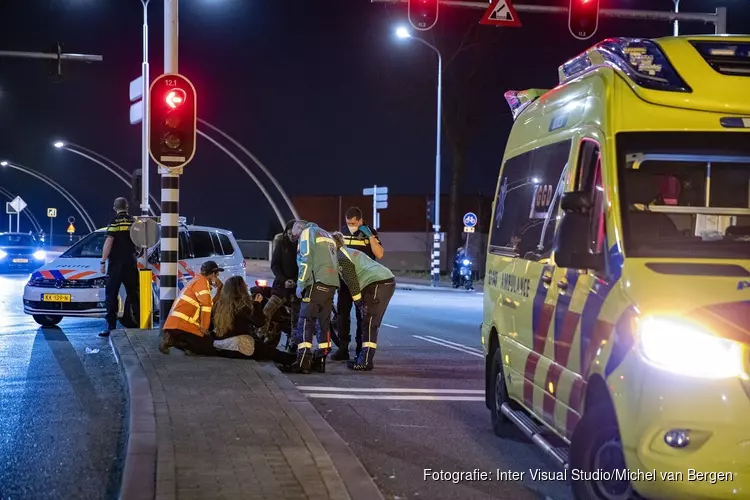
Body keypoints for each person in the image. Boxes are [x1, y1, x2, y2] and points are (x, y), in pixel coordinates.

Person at [281, 220, 339, 374]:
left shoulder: (307, 233)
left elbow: (306, 260)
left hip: (315, 282)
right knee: (323, 323)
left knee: (305, 321)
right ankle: (320, 360)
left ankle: (302, 362)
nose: (297, 239)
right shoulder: (326, 233)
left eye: (296, 236)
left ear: (299, 230)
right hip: (331, 283)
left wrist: (301, 283)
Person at [332, 232, 395, 371]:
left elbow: (352, 283)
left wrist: (359, 302)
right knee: (370, 323)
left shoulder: (341, 257)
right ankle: (363, 358)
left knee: (369, 323)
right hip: (383, 281)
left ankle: (365, 361)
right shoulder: (347, 251)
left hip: (377, 283)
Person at [332, 207, 385, 362]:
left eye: (354, 223)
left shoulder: (370, 233)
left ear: (360, 221)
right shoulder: (342, 232)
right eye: (348, 223)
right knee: (342, 315)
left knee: (362, 316)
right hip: (345, 282)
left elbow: (379, 254)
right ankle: (343, 349)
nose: (351, 225)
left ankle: (360, 350)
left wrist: (370, 237)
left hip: (364, 282)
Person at [211, 276, 296, 365]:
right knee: (271, 352)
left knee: (266, 349)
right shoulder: (241, 306)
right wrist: (257, 303)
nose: (247, 286)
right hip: (239, 347)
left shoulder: (218, 305)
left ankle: (295, 359)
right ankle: (298, 361)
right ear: (240, 290)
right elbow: (260, 322)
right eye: (244, 285)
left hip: (220, 346)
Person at [159, 260, 224, 355]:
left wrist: (219, 290)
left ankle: (180, 342)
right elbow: (206, 306)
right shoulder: (202, 283)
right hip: (182, 325)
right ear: (213, 274)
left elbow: (210, 304)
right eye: (217, 275)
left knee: (206, 342)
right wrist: (204, 328)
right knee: (209, 347)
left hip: (178, 324)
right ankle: (176, 342)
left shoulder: (197, 280)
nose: (217, 278)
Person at [98, 197, 140, 337]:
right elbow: (140, 240)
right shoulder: (134, 221)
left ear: (115, 207)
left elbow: (109, 241)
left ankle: (111, 326)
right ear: (127, 207)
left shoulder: (114, 221)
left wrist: (103, 261)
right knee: (134, 294)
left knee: (112, 295)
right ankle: (140, 324)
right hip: (131, 263)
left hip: (116, 264)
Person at [261, 219, 299, 347]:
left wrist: (295, 281)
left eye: (293, 234)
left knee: (297, 316)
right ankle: (261, 336)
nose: (291, 236)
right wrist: (284, 280)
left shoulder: (303, 245)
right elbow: (275, 265)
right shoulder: (282, 244)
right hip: (281, 286)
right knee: (267, 310)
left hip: (297, 287)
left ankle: (295, 342)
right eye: (288, 233)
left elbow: (306, 267)